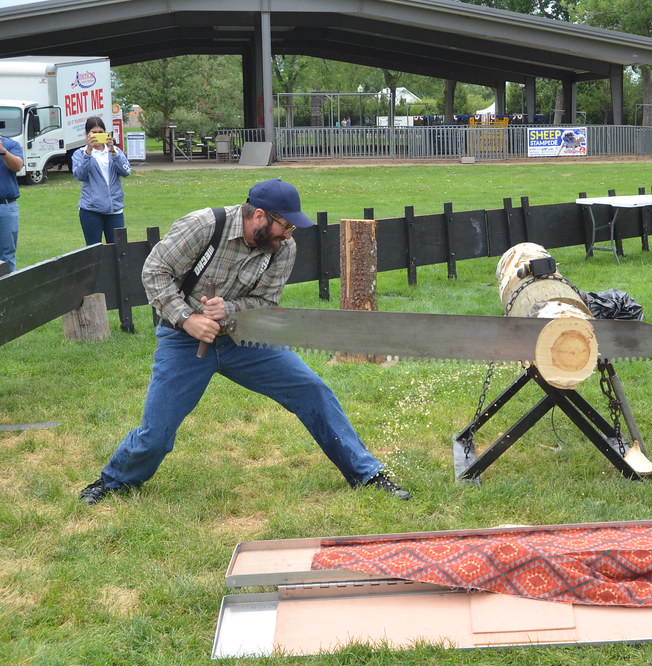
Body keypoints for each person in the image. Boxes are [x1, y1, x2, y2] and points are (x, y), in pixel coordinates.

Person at [80, 179, 410, 504]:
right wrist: (187, 319)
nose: (288, 234)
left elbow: (267, 301)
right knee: (156, 435)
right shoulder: (204, 226)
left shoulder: (283, 248)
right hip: (184, 341)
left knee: (313, 391)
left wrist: (229, 309)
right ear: (259, 216)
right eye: (284, 225)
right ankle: (113, 481)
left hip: (246, 339)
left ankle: (367, 474)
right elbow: (155, 271)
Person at [72, 116, 132, 245]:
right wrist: (88, 152)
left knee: (118, 250)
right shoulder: (80, 153)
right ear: (87, 134)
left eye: (101, 132)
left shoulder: (115, 151)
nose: (97, 136)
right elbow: (79, 175)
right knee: (94, 252)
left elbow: (126, 171)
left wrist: (113, 152)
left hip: (114, 209)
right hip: (91, 210)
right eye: (94, 133)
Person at [0, 131, 25, 273]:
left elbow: (17, 166)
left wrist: (3, 151)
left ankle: (9, 293)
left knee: (7, 255)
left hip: (5, 206)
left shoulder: (11, 144)